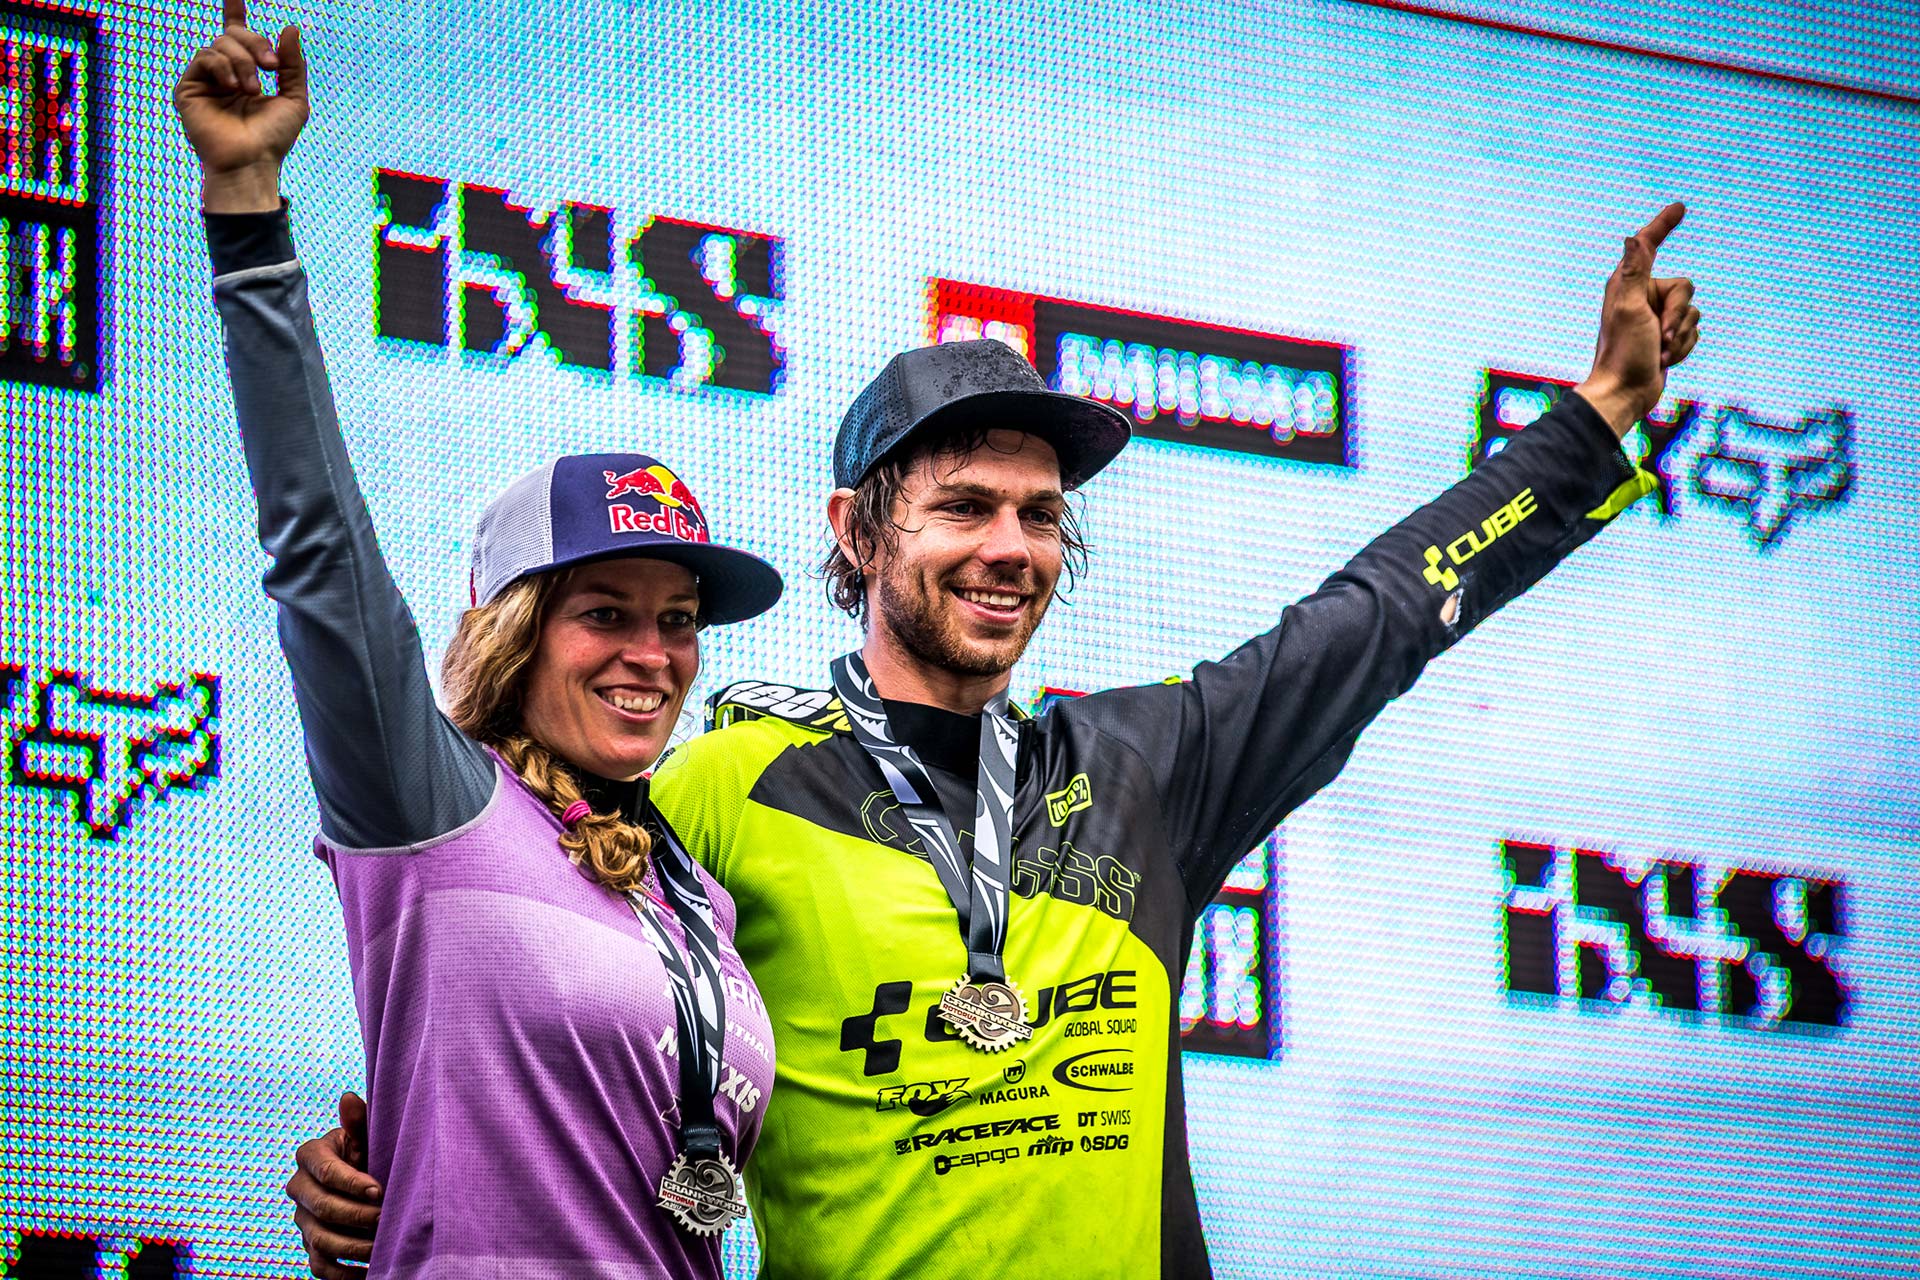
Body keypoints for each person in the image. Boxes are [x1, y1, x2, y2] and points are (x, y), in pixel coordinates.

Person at [284, 49, 1702, 1280]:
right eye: (963, 505)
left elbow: (1382, 611)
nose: (1010, 546)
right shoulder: (719, 784)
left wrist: (1595, 419)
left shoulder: (1155, 767)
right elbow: (522, 977)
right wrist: (375, 1155)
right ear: (858, 531)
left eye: (1040, 513)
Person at [175, 2, 788, 1275]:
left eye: (676, 621)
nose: (653, 654)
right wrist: (247, 211)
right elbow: (321, 558)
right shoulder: (431, 802)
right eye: (603, 613)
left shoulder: (695, 890)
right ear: (515, 632)